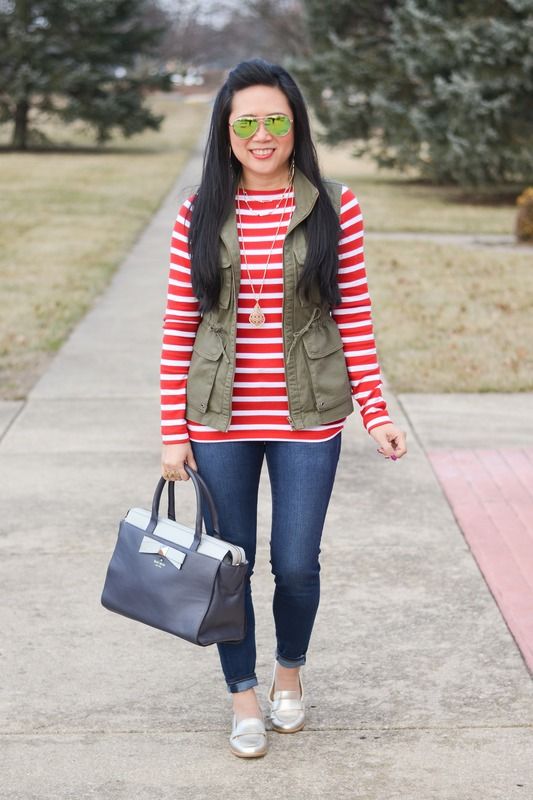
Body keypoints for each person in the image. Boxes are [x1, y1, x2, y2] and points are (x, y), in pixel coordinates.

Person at [159, 58, 407, 758]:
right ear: (226, 131)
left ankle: (288, 679)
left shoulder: (335, 205)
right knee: (227, 564)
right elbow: (180, 323)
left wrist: (377, 411)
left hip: (309, 418)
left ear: (294, 126)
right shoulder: (198, 211)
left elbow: (352, 313)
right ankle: (242, 696)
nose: (261, 135)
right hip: (217, 421)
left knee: (296, 563)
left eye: (275, 120)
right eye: (246, 123)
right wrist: (170, 433)